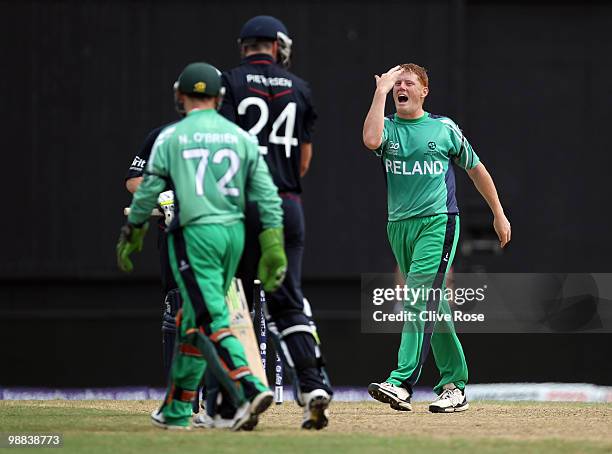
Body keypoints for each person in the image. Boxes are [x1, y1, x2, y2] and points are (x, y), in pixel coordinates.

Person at [116, 62, 288, 430]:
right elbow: (268, 196)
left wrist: (133, 231)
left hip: (194, 234)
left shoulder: (171, 137)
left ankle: (248, 386)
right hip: (234, 236)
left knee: (208, 315)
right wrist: (273, 244)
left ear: (180, 96)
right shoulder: (240, 137)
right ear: (220, 97)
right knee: (192, 319)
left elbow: (145, 189)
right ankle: (177, 409)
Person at [362, 63, 511, 413]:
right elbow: (370, 139)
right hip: (399, 225)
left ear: (424, 91)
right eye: (396, 84)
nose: (402, 88)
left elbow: (477, 169)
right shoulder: (388, 128)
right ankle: (455, 385)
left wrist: (498, 213)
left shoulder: (443, 128)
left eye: (409, 83)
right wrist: (379, 92)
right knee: (434, 305)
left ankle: (400, 382)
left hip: (438, 222)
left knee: (416, 297)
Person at [217, 15, 332, 430]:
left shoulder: (229, 82)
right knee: (287, 300)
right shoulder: (299, 88)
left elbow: (223, 147)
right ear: (277, 46)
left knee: (234, 303)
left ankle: (240, 397)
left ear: (245, 45)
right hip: (286, 204)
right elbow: (303, 160)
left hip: (241, 207)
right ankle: (313, 383)